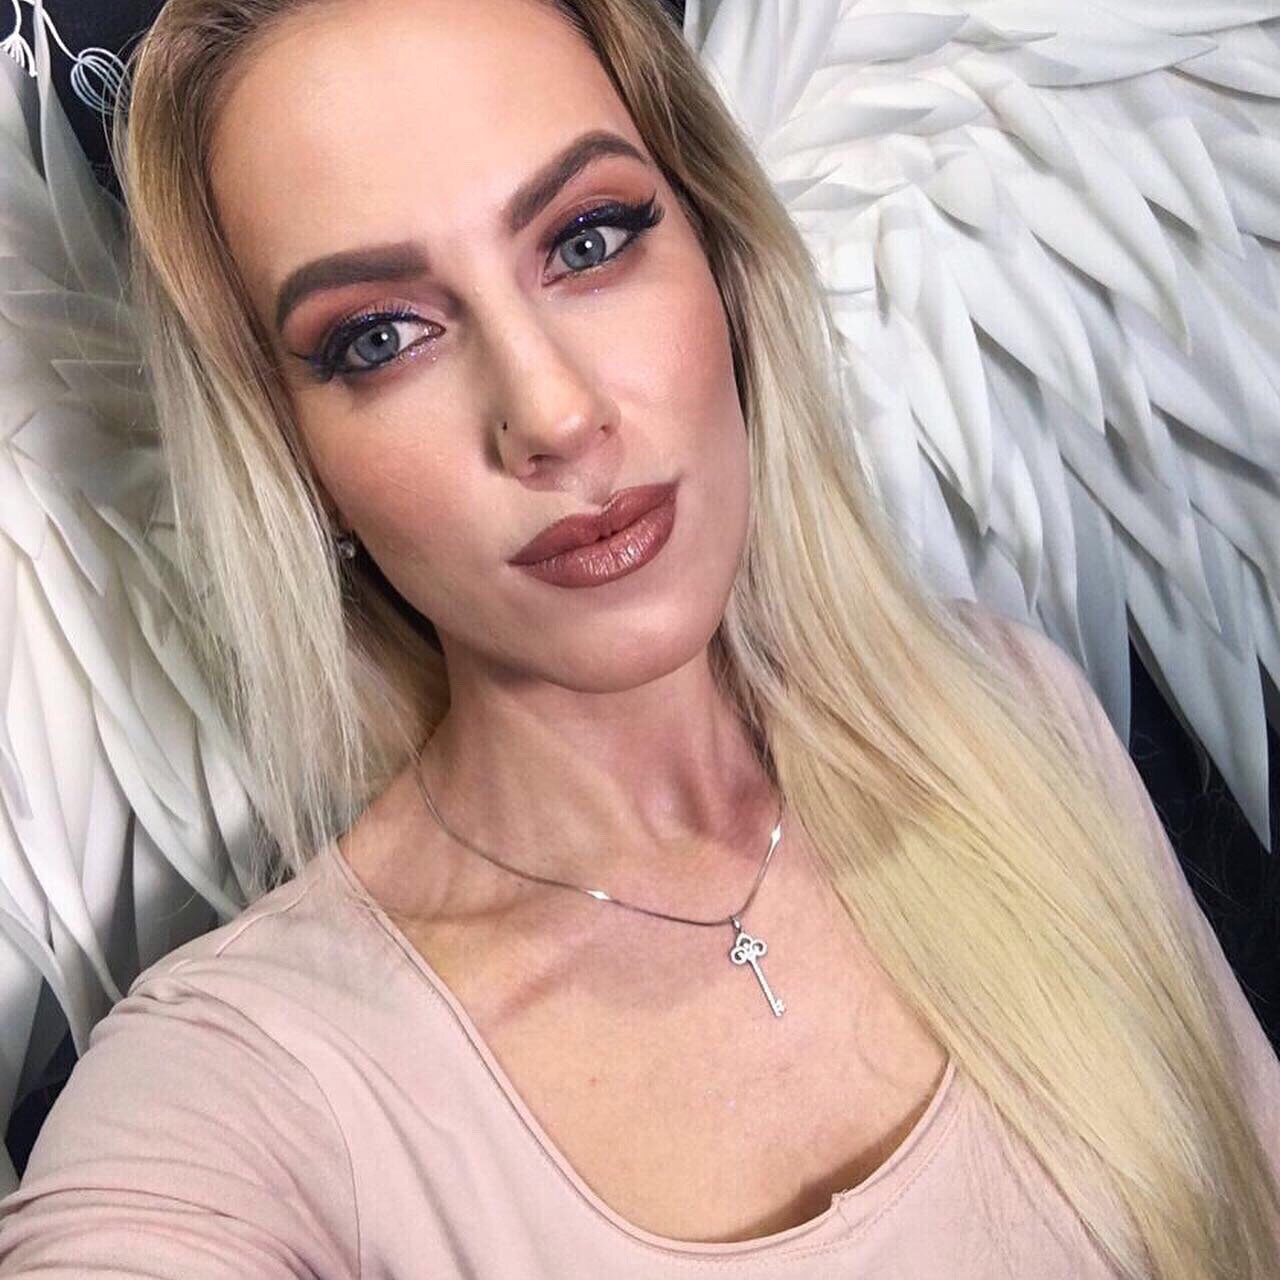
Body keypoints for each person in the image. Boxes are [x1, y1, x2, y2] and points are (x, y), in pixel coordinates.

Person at [0, 0, 1276, 1275]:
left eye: (587, 239)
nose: (551, 413)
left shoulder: (1008, 713)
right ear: (292, 457)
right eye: (378, 338)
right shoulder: (242, 1087)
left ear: (718, 251)